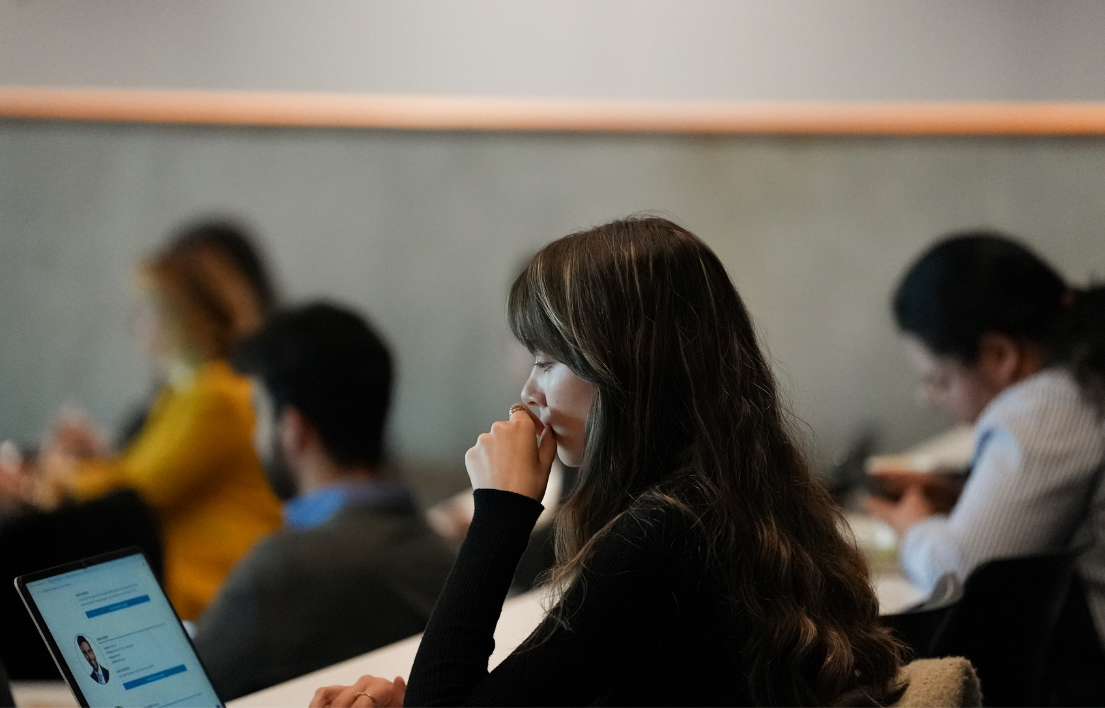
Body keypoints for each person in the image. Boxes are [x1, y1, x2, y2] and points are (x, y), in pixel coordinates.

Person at [311, 217, 903, 707]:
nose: (527, 395)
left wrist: (500, 514)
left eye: (546, 362)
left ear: (627, 370)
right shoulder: (733, 495)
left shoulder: (664, 533)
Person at [864, 231, 1105, 701]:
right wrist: (963, 500)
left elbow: (962, 573)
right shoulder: (1082, 376)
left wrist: (915, 527)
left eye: (940, 380)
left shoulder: (1046, 406)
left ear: (999, 355)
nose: (934, 399)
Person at [4, 221, 283, 621]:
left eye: (146, 310)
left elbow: (132, 495)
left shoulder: (217, 396)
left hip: (205, 596)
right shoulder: (186, 393)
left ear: (182, 318)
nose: (135, 324)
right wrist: (72, 465)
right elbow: (130, 475)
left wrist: (37, 479)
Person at [191, 303, 455, 700]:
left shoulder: (282, 571)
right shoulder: (447, 554)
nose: (253, 437)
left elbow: (176, 693)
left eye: (258, 414)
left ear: (294, 429)